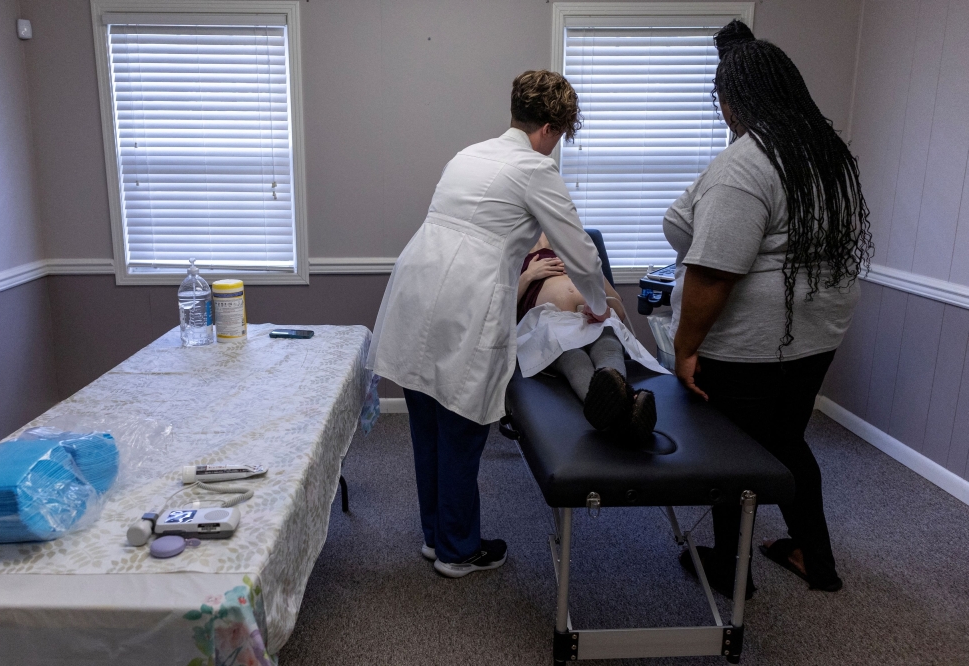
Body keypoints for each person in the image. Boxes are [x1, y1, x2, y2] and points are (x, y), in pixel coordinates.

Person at [368, 71, 611, 578]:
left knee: (428, 421)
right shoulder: (533, 169)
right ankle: (458, 549)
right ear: (548, 128)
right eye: (560, 137)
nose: (555, 149)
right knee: (461, 423)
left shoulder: (469, 154)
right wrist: (600, 304)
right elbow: (581, 254)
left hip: (417, 285)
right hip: (464, 296)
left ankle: (437, 537)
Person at [664, 20, 873, 598]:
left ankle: (733, 574)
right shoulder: (826, 154)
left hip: (754, 342)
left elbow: (713, 269)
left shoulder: (746, 163)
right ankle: (815, 556)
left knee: (732, 455)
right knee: (786, 440)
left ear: (734, 102)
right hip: (816, 332)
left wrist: (685, 349)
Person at [515, 233, 662, 441]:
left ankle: (616, 413)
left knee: (609, 346)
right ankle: (628, 411)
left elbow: (619, 310)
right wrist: (529, 275)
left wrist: (600, 305)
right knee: (575, 359)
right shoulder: (512, 250)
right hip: (550, 324)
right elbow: (501, 312)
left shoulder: (577, 251)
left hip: (593, 320)